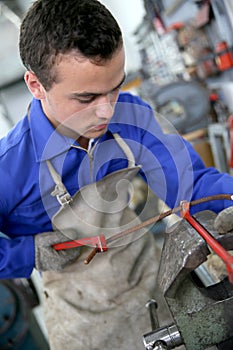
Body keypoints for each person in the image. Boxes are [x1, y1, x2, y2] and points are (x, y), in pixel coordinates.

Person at [0, 0, 233, 349]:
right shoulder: (7, 171)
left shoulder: (132, 116)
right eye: (87, 98)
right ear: (35, 85)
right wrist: (27, 253)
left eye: (115, 88)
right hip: (84, 323)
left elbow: (192, 185)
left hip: (156, 286)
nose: (107, 110)